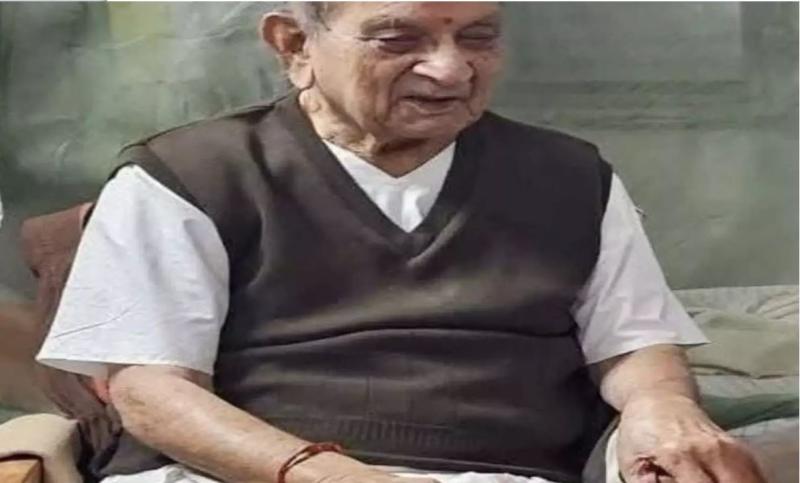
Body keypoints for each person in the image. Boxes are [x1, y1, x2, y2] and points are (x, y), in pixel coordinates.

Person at [37, 3, 765, 483]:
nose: (451, 68)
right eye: (398, 38)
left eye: (478, 36)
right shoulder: (188, 174)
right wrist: (329, 473)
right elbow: (151, 392)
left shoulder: (571, 175)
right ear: (295, 45)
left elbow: (632, 344)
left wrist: (661, 408)